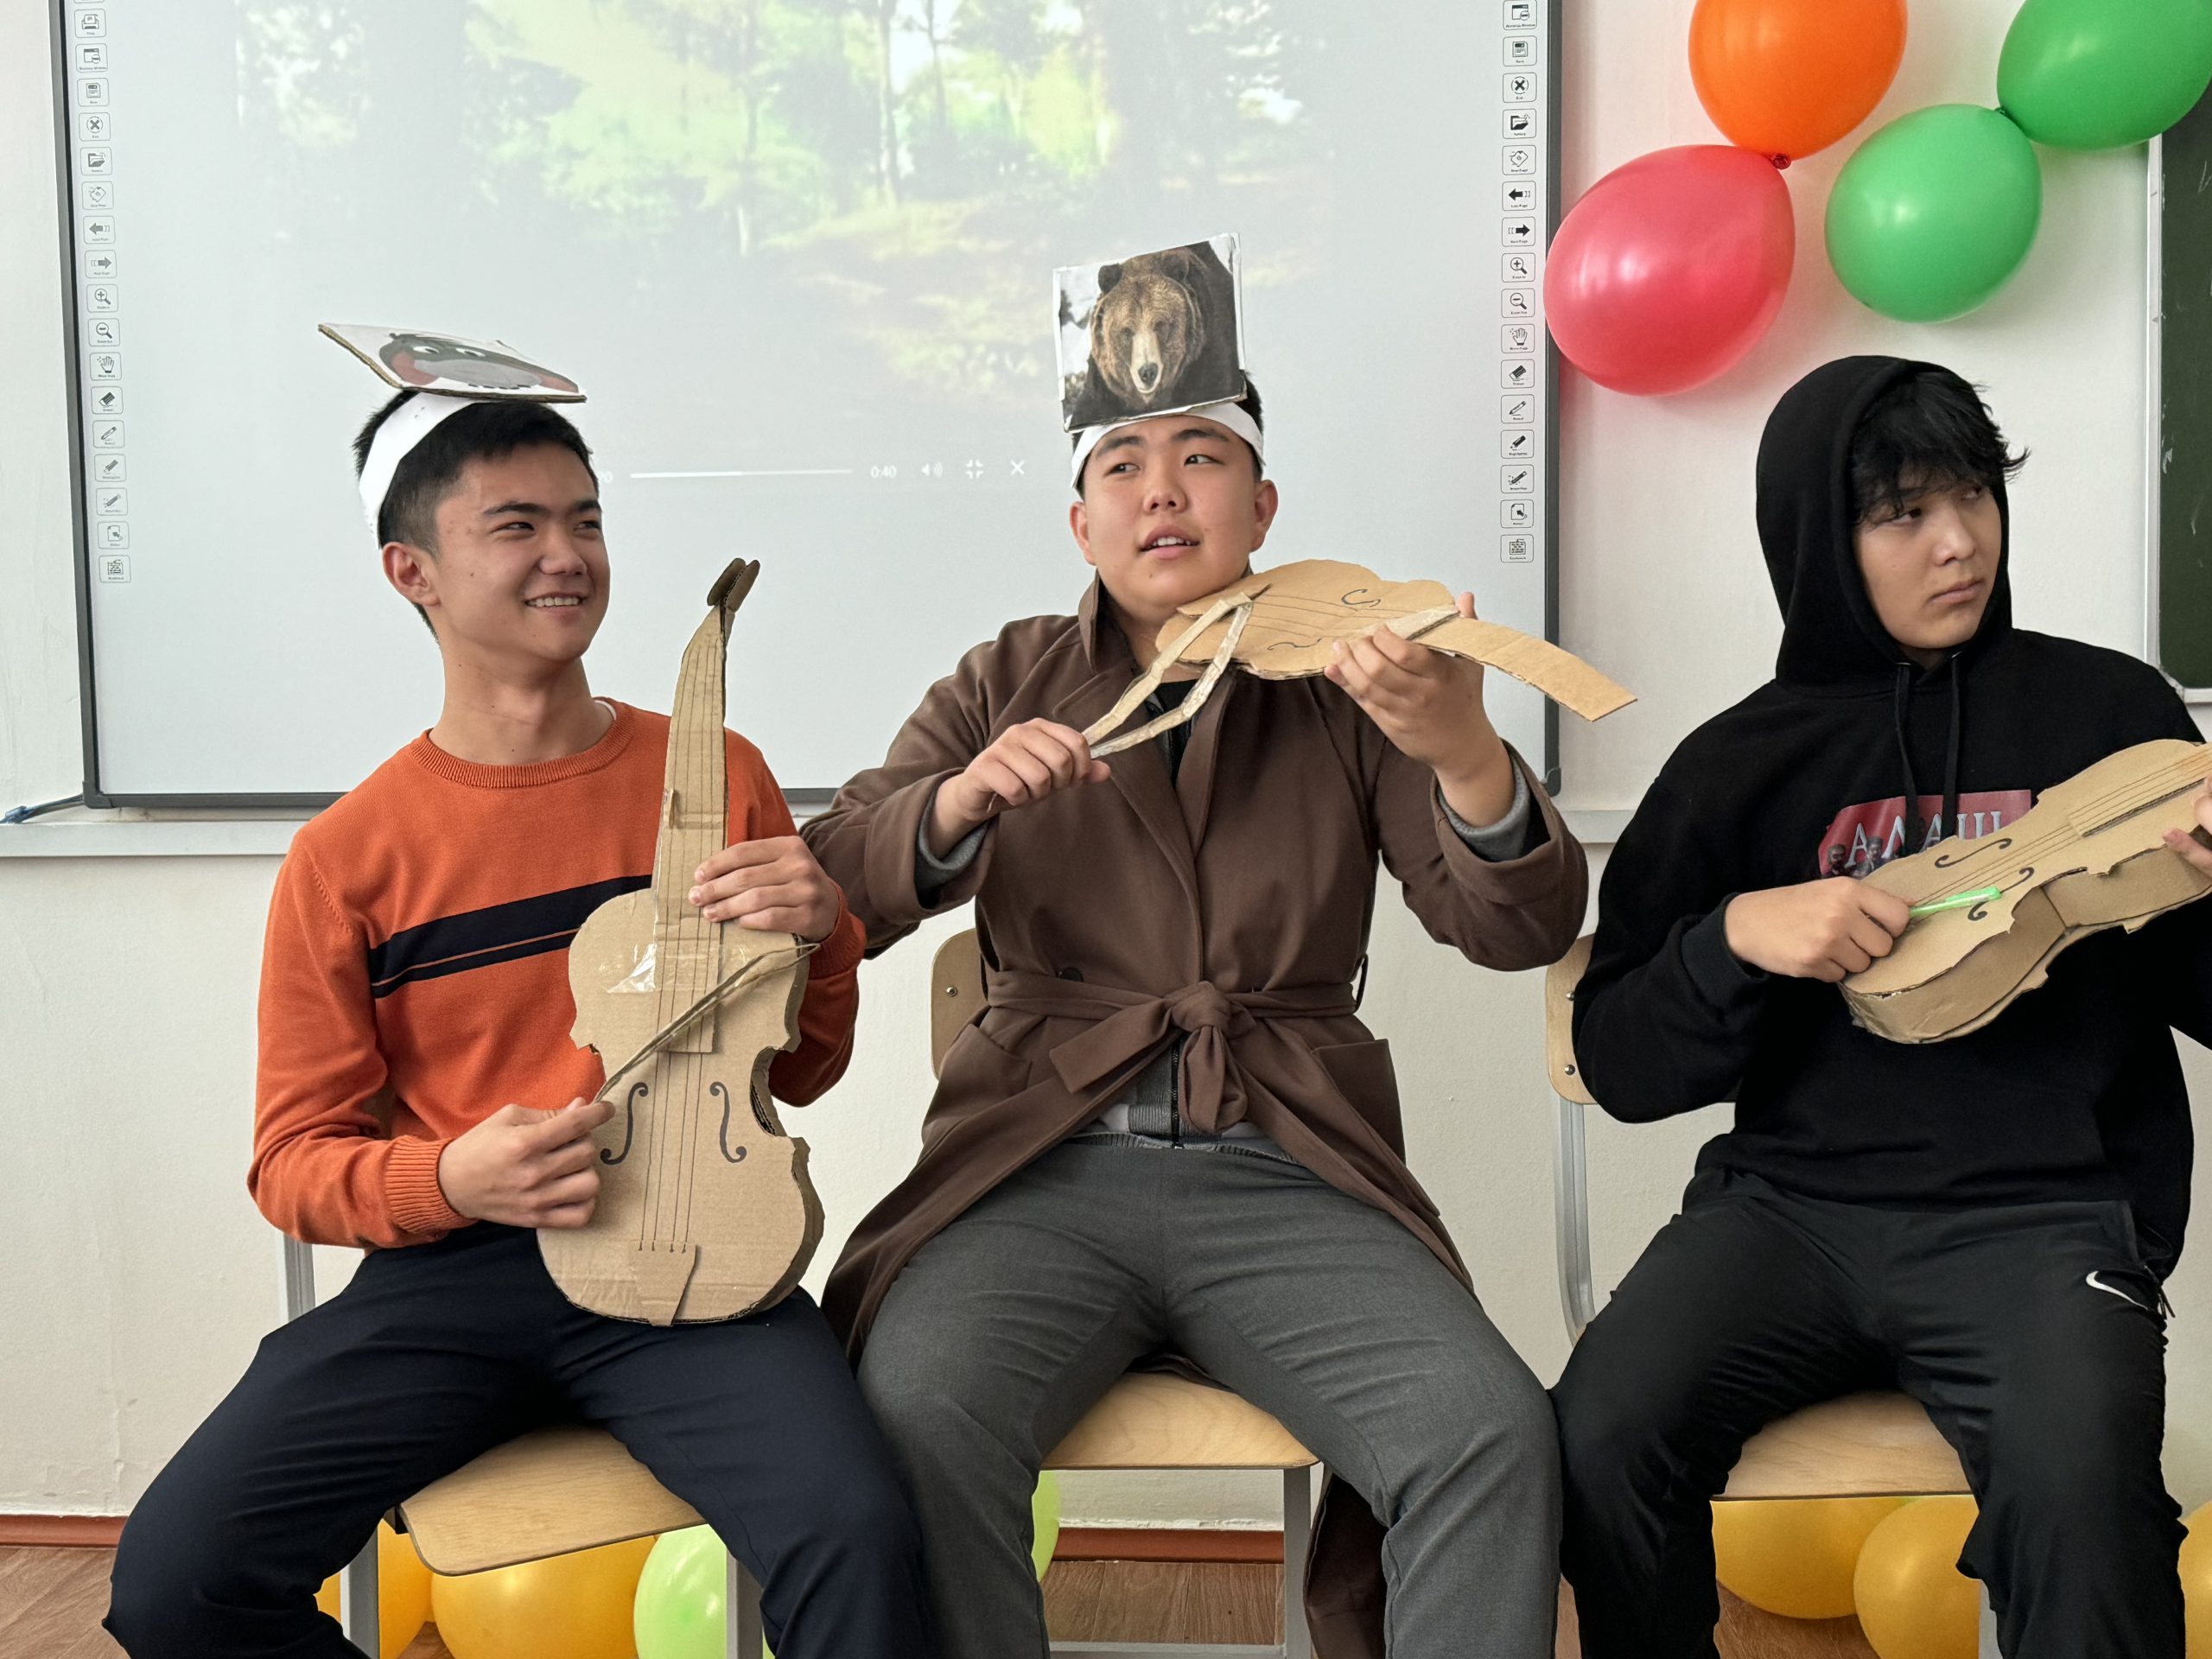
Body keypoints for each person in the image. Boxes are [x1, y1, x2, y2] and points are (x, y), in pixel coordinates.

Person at [105, 380, 936, 1659]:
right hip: (453, 1278)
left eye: (586, 520)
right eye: (517, 526)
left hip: (692, 1247)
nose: (568, 554)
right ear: (413, 572)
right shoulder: (347, 857)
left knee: (859, 1533)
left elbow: (803, 1072)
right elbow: (292, 1164)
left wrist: (827, 934)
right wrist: (450, 1178)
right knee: (177, 1583)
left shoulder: (717, 774)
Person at [793, 372, 1588, 1658]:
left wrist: (1463, 750)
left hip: (1288, 1158)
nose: (1162, 488)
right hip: (1036, 1165)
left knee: (1485, 1431)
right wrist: (953, 807)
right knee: (915, 1409)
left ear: (1262, 507)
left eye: (1203, 457)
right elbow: (826, 888)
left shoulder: (1349, 677)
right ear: (1082, 525)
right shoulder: (1007, 675)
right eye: (1123, 465)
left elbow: (1516, 930)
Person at [1554, 355, 2201, 1659]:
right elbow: (1619, 1062)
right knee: (1594, 1440)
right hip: (1786, 1216)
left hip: (2046, 1218)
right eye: (1903, 514)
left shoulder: (2115, 717)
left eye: (1974, 496)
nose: (1959, 543)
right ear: (1817, 539)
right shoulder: (1734, 764)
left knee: (2085, 1505)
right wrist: (1736, 940)